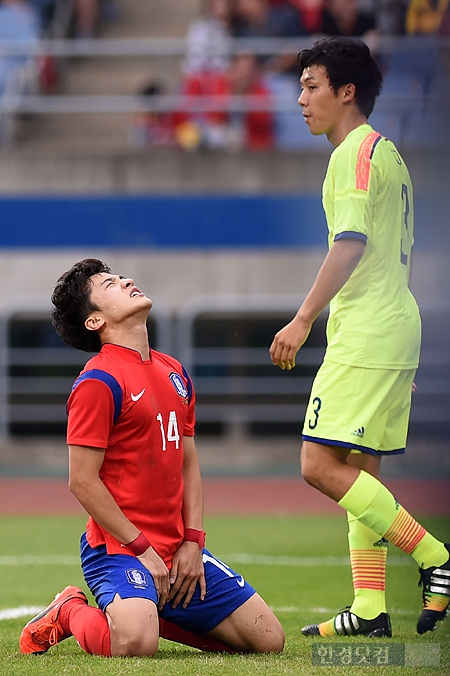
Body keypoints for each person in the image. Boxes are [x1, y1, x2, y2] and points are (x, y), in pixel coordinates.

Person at [269, 37, 450, 637]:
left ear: (346, 92)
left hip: (368, 331)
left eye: (311, 86)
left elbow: (351, 243)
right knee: (359, 474)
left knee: (318, 464)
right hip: (394, 326)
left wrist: (302, 318)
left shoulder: (351, 154)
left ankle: (435, 557)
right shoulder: (389, 154)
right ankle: (370, 608)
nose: (301, 99)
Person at [19, 258, 285, 658]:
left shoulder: (174, 371)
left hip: (177, 548)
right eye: (110, 284)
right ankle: (70, 610)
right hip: (119, 549)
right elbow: (82, 481)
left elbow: (189, 463)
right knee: (136, 645)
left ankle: (148, 609)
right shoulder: (98, 382)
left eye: (122, 276)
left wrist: (193, 542)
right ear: (95, 322)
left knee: (268, 641)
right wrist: (142, 548)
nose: (126, 280)